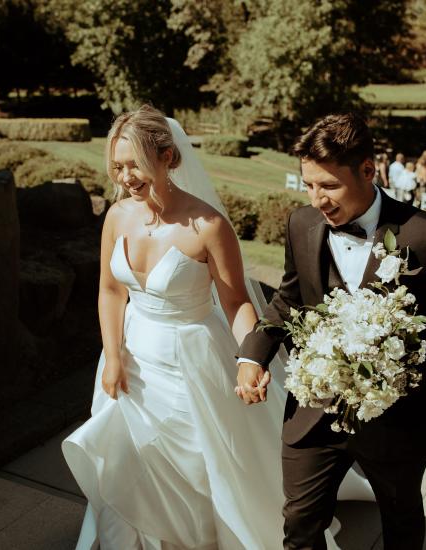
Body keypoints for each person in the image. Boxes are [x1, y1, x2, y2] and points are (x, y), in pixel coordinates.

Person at [62, 105, 372, 549]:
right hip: (130, 358)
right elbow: (110, 292)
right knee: (130, 459)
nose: (126, 177)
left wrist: (251, 358)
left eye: (136, 164)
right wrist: (112, 357)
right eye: (119, 166)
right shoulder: (117, 216)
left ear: (168, 157)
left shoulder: (209, 226)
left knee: (196, 463)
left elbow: (236, 302)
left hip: (191, 360)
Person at [236, 113, 426, 550]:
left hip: (397, 417)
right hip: (314, 410)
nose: (317, 199)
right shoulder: (301, 224)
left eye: (328, 186)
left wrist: (399, 368)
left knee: (400, 519)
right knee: (300, 521)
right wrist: (252, 353)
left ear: (368, 170)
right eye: (308, 185)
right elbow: (290, 298)